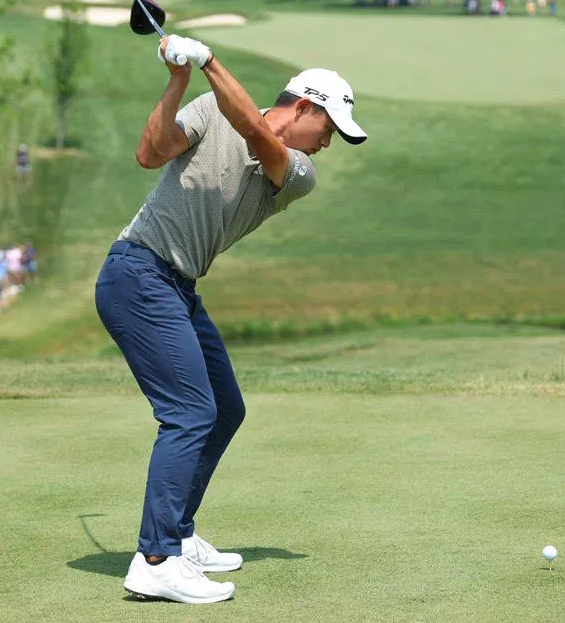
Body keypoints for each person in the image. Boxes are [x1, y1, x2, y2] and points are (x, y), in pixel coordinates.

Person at [95, 32, 368, 604]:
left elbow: (255, 132)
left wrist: (208, 60)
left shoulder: (297, 171)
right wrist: (179, 79)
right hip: (137, 273)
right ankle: (156, 559)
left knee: (225, 408)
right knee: (190, 412)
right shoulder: (210, 107)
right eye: (329, 129)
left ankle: (177, 532)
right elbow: (150, 153)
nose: (328, 144)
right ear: (306, 107)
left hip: (176, 286)